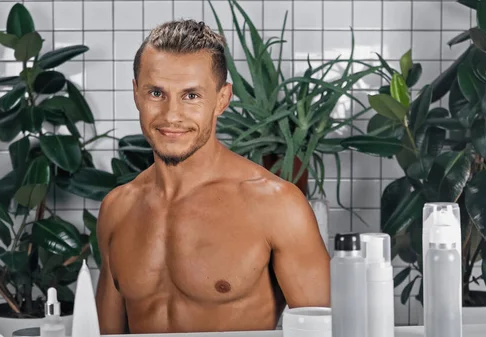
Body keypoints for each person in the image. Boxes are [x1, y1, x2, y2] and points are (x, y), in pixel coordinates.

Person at [95, 19, 330, 334]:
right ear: (136, 93)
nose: (171, 115)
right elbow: (104, 333)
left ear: (222, 99)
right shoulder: (117, 208)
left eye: (191, 96)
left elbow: (329, 331)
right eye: (156, 93)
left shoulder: (277, 206)